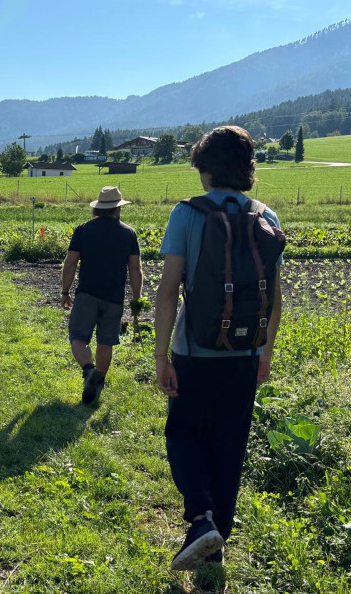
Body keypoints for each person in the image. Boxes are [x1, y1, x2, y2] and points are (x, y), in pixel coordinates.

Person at [153, 126, 283, 570]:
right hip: (246, 354)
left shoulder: (187, 214)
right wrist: (266, 351)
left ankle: (201, 519)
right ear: (247, 169)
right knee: (231, 441)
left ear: (206, 169)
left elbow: (169, 290)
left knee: (184, 432)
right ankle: (217, 538)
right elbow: (275, 293)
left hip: (195, 351)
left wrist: (160, 355)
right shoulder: (268, 217)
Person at [61, 186, 143, 404]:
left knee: (78, 337)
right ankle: (98, 381)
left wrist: (65, 291)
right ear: (118, 209)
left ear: (98, 209)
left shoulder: (83, 230)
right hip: (114, 297)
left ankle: (89, 371)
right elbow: (135, 269)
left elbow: (70, 263)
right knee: (105, 343)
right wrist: (137, 298)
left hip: (87, 293)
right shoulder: (128, 233)